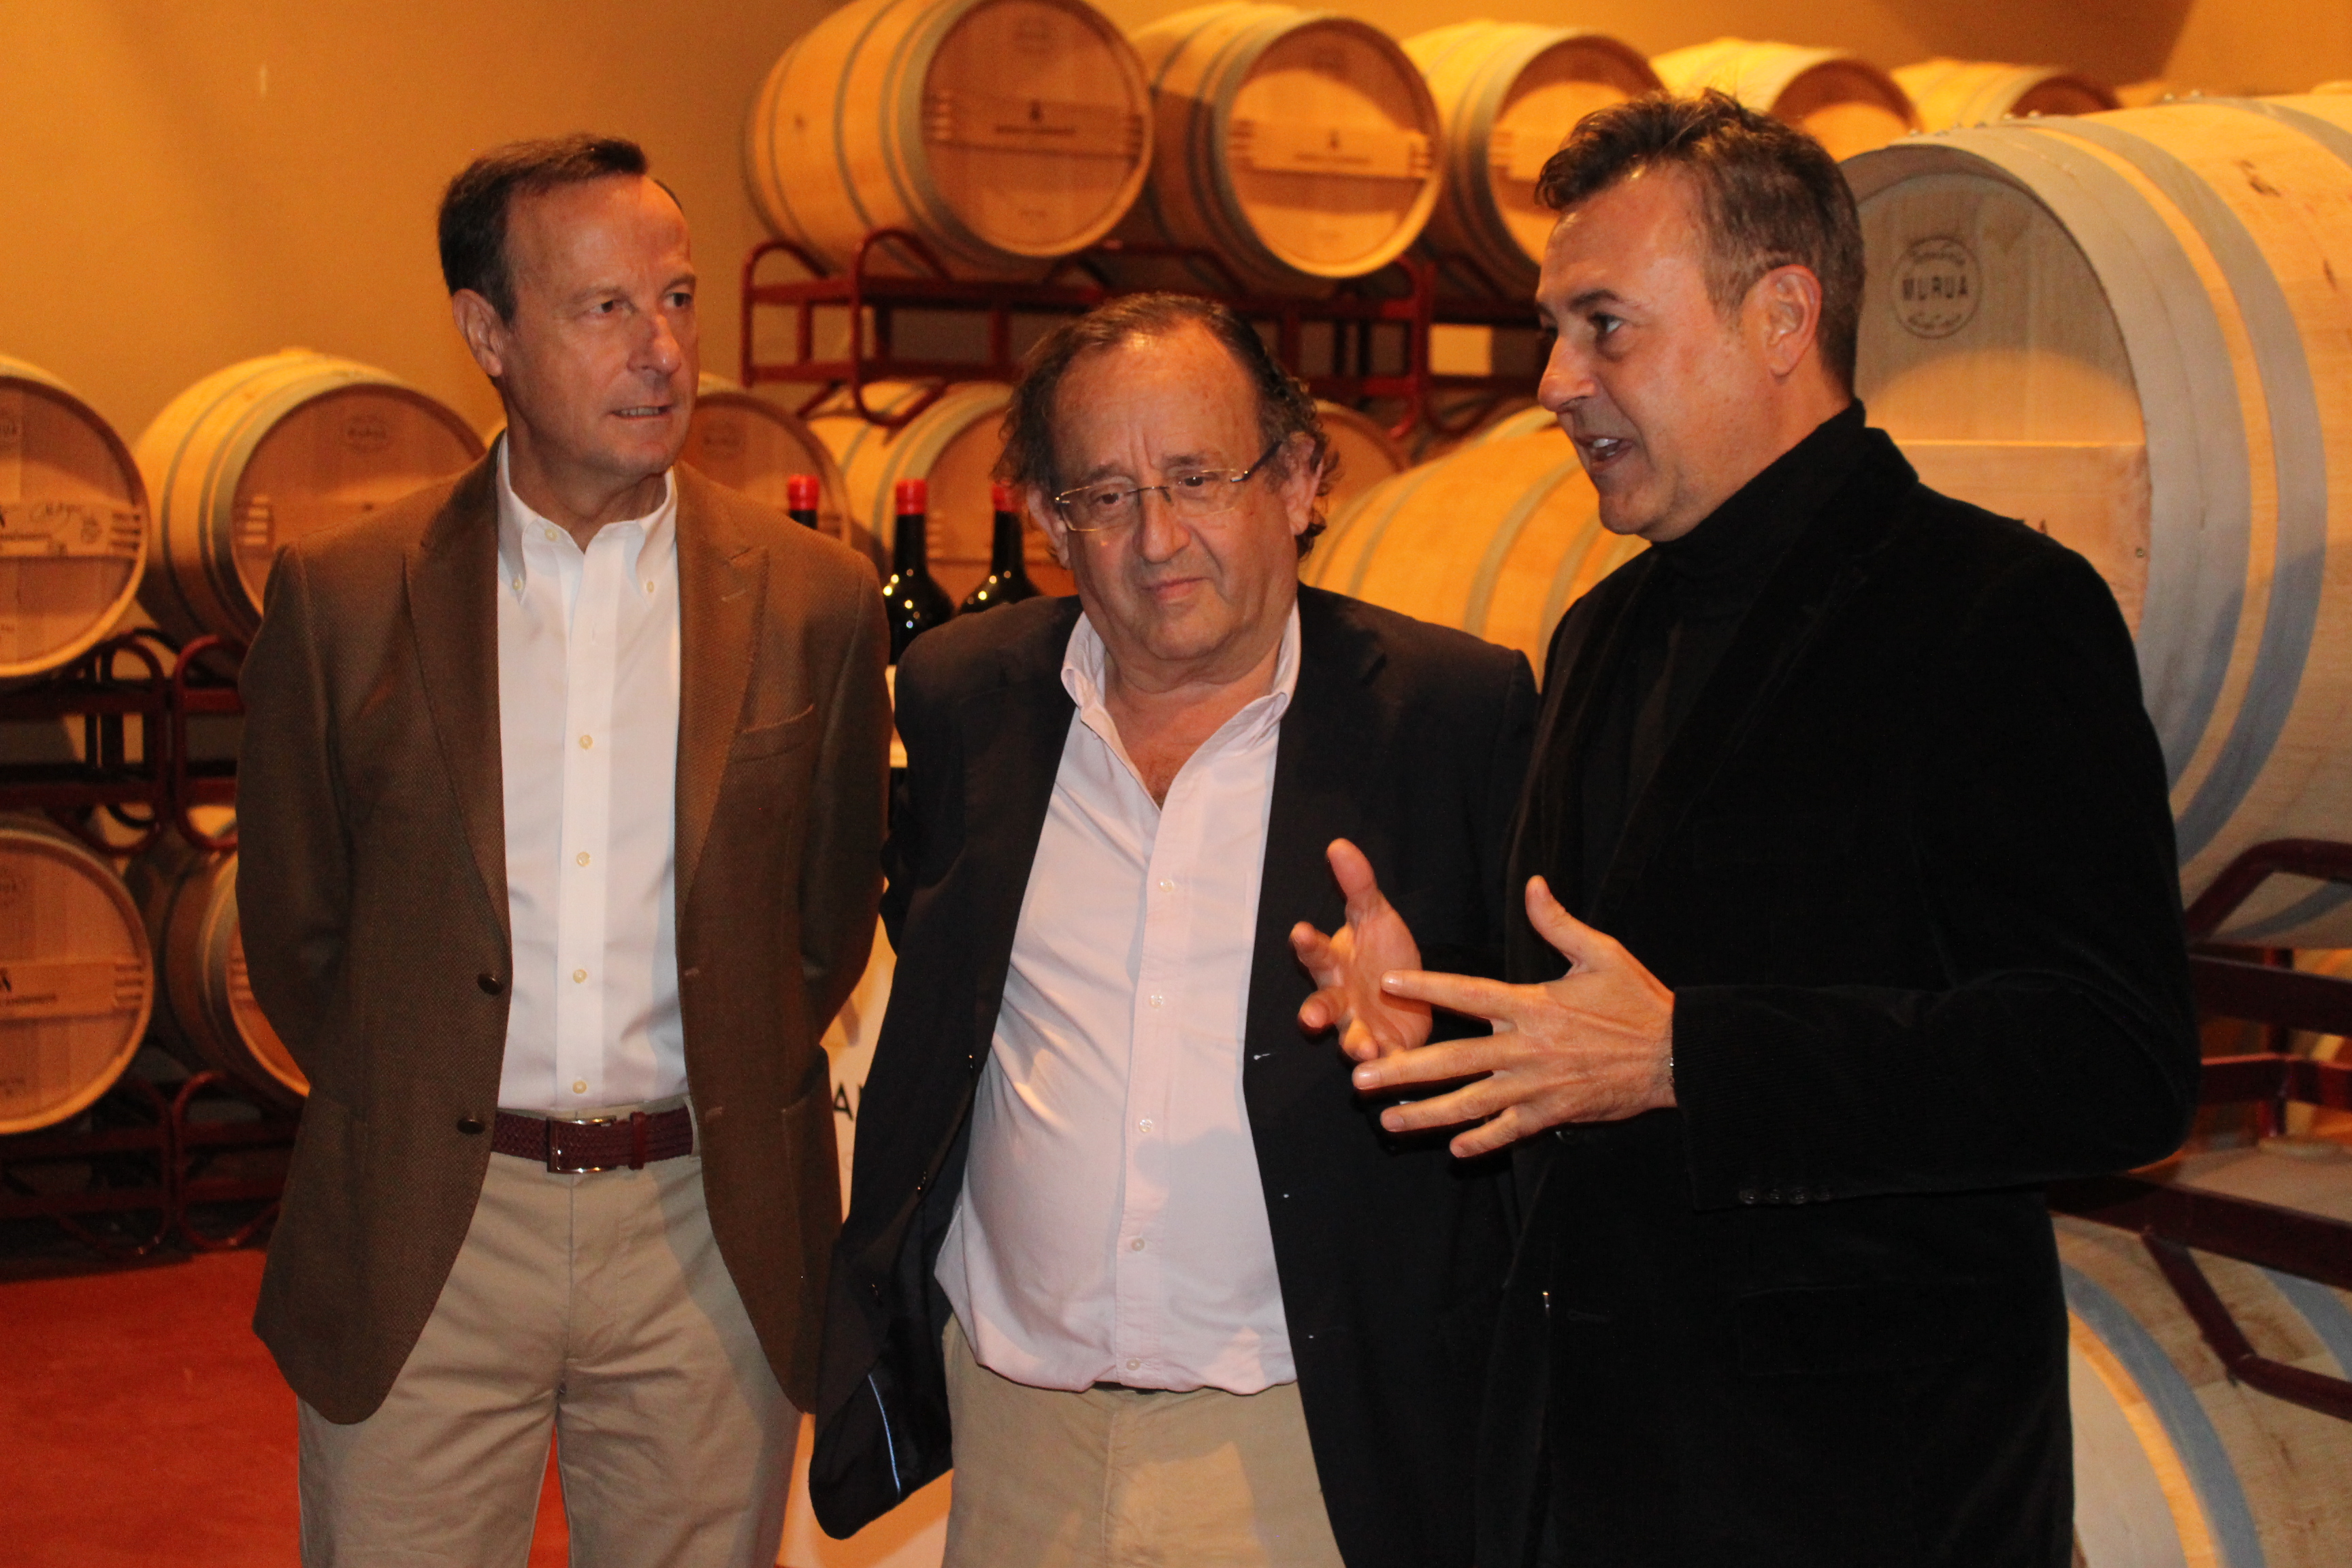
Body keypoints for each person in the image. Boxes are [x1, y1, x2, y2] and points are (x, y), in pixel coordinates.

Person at [1311, 93, 2201, 1565]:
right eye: (1553, 331)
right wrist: (1445, 1009)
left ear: (1783, 317)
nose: (1555, 383)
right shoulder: (1604, 626)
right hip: (1595, 1487)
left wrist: (1693, 1058)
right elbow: (1614, 1002)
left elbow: (2111, 1062)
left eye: (1605, 327)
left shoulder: (1993, 612)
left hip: (1859, 1503)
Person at [237, 133, 890, 1567]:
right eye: (605, 309)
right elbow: (296, 929)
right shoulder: (347, 598)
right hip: (431, 1230)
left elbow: (822, 924)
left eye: (678, 300)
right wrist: (417, 1089)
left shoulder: (815, 603)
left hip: (707, 1231)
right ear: (488, 333)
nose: (660, 350)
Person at [808, 293, 1536, 1568]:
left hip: (1301, 1450)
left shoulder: (1451, 716)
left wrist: (1441, 1036)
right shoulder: (966, 696)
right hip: (1019, 1435)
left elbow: (1543, 1068)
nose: (1156, 537)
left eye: (1198, 477)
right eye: (1105, 493)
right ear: (1048, 521)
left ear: (1299, 480)